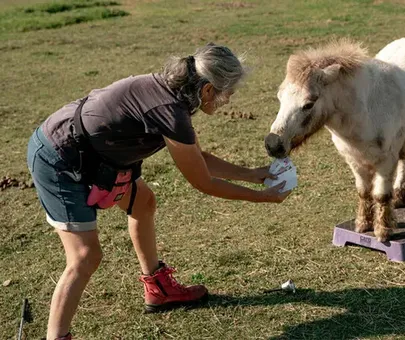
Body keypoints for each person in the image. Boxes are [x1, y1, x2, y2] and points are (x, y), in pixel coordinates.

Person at [26, 43, 291, 340]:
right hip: (60, 155)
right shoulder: (170, 110)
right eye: (227, 92)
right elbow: (203, 182)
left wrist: (253, 175)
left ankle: (158, 289)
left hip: (95, 153)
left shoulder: (174, 96)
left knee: (143, 203)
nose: (228, 100)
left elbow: (197, 158)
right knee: (85, 256)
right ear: (206, 90)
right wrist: (263, 197)